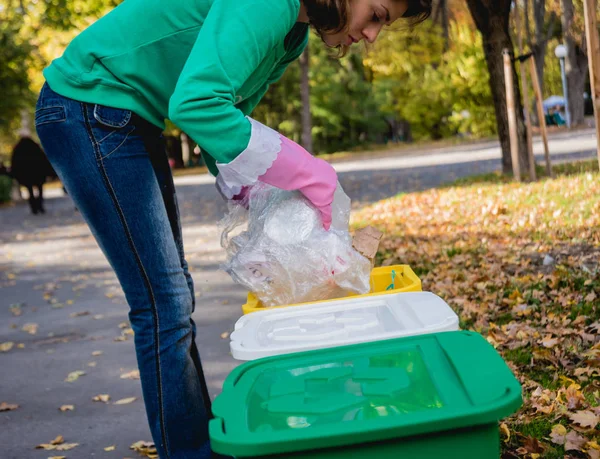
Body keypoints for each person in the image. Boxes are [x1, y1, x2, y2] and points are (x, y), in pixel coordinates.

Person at [34, 0, 431, 457]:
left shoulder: (291, 34)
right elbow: (196, 104)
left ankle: (196, 444)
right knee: (163, 302)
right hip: (89, 104)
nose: (372, 35)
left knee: (171, 296)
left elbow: (223, 119)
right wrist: (307, 170)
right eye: (378, 14)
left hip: (124, 114)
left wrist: (260, 208)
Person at [10, 129, 54, 214]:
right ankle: (40, 205)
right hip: (38, 173)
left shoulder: (18, 148)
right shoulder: (35, 146)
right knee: (40, 189)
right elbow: (43, 159)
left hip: (26, 175)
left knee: (30, 191)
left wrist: (16, 174)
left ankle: (34, 207)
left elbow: (15, 163)